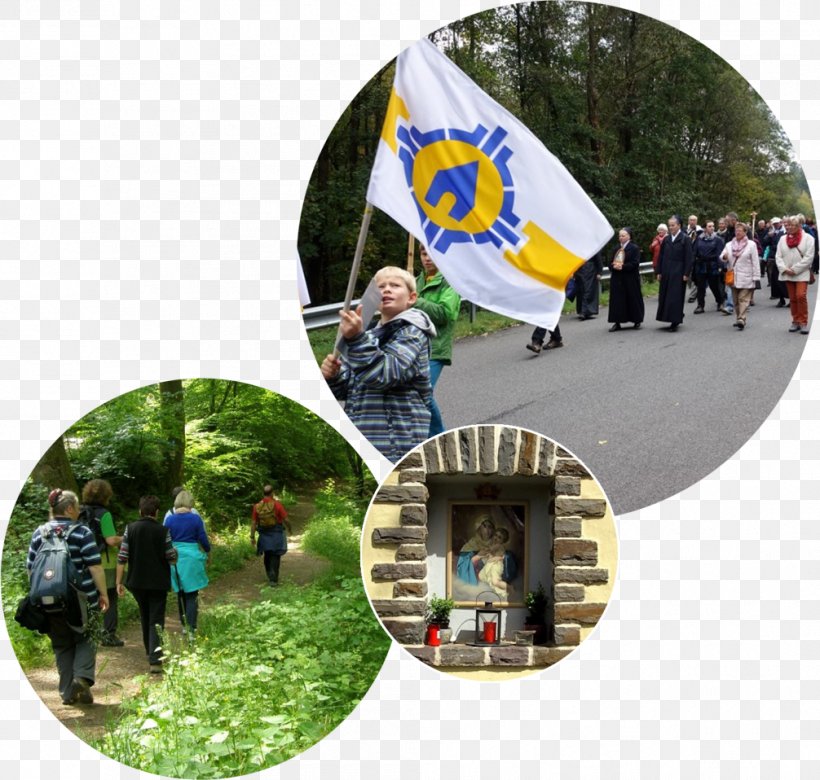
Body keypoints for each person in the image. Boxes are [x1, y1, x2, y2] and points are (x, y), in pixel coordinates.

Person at [321, 266, 435, 462]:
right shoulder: (368, 336)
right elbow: (350, 389)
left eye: (395, 285)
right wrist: (333, 376)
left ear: (412, 298)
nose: (387, 289)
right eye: (381, 286)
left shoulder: (413, 332)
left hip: (397, 441)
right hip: (366, 435)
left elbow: (385, 374)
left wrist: (357, 339)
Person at [27, 489, 109, 706]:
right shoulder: (82, 532)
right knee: (86, 636)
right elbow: (95, 567)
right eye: (77, 507)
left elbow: (31, 569)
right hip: (82, 599)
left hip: (49, 600)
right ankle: (81, 678)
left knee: (62, 644)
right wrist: (103, 593)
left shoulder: (40, 533)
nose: (79, 511)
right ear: (70, 508)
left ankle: (67, 692)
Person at [116, 495, 177, 673]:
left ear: (140, 511)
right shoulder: (163, 530)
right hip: (158, 583)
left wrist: (118, 582)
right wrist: (175, 554)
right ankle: (155, 660)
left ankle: (149, 651)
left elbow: (122, 557)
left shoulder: (130, 529)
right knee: (156, 619)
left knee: (145, 615)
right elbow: (171, 559)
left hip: (136, 582)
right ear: (157, 512)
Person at [413, 245, 461, 437]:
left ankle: (439, 436)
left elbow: (444, 314)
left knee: (422, 393)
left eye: (432, 254)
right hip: (412, 347)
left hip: (435, 348)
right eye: (424, 254)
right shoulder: (414, 281)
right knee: (415, 394)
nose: (428, 258)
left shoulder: (450, 283)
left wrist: (415, 300)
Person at [80, 479, 123, 647]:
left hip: (85, 561)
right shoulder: (104, 514)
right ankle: (108, 635)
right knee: (109, 598)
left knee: (89, 597)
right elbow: (111, 540)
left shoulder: (80, 512)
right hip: (105, 562)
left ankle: (89, 634)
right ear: (106, 495)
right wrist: (125, 538)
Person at [164, 489, 211, 634]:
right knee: (192, 594)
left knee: (180, 592)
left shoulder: (170, 519)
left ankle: (184, 625)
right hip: (191, 559)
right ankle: (192, 627)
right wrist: (208, 551)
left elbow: (165, 541)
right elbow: (203, 538)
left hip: (175, 558)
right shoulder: (195, 519)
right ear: (190, 503)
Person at [776, 215, 816, 334]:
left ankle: (803, 322)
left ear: (799, 226)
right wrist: (784, 268)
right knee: (792, 298)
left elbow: (809, 258)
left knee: (800, 296)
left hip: (801, 273)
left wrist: (795, 269)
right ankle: (795, 321)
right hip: (787, 272)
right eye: (789, 225)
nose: (790, 227)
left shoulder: (809, 238)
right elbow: (778, 256)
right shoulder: (782, 239)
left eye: (794, 225)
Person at [656, 215, 694, 331]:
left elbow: (689, 258)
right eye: (669, 225)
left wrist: (686, 273)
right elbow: (661, 256)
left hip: (678, 272)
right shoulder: (666, 239)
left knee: (675, 297)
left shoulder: (685, 239)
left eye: (673, 225)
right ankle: (665, 316)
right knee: (665, 295)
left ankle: (675, 320)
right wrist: (659, 271)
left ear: (679, 225)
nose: (671, 227)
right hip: (666, 271)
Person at [721, 222, 761, 331]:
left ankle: (742, 319)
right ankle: (739, 317)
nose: (737, 232)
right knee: (735, 301)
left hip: (747, 276)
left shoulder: (751, 245)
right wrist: (724, 256)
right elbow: (722, 256)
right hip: (733, 277)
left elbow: (755, 261)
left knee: (743, 298)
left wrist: (756, 277)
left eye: (740, 231)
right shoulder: (729, 244)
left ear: (745, 232)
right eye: (736, 231)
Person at [250, 485, 292, 585]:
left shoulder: (257, 506)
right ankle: (274, 578)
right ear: (272, 493)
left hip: (264, 534)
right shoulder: (277, 505)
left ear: (263, 493)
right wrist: (289, 528)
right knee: (276, 555)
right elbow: (286, 519)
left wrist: (252, 537)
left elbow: (253, 523)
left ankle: (270, 574)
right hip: (276, 532)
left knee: (267, 554)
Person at [607, 227, 644, 331]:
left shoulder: (634, 248)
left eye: (623, 235)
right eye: (619, 236)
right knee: (617, 301)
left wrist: (623, 267)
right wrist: (613, 266)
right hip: (617, 278)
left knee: (632, 299)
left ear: (629, 236)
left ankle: (636, 320)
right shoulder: (616, 248)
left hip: (630, 278)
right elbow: (610, 262)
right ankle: (617, 322)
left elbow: (635, 263)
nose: (621, 238)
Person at [692, 221, 728, 314]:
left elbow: (720, 254)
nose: (712, 228)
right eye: (709, 226)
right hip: (701, 265)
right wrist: (692, 265)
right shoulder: (698, 239)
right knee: (700, 287)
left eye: (713, 226)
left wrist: (721, 267)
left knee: (714, 286)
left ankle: (720, 302)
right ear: (705, 228)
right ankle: (700, 305)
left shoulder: (718, 239)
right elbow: (694, 252)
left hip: (713, 265)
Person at [573, 251, 603, 319]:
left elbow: (598, 259)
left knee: (588, 291)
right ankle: (582, 311)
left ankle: (584, 312)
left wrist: (599, 272)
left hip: (590, 270)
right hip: (580, 270)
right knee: (581, 292)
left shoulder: (594, 246)